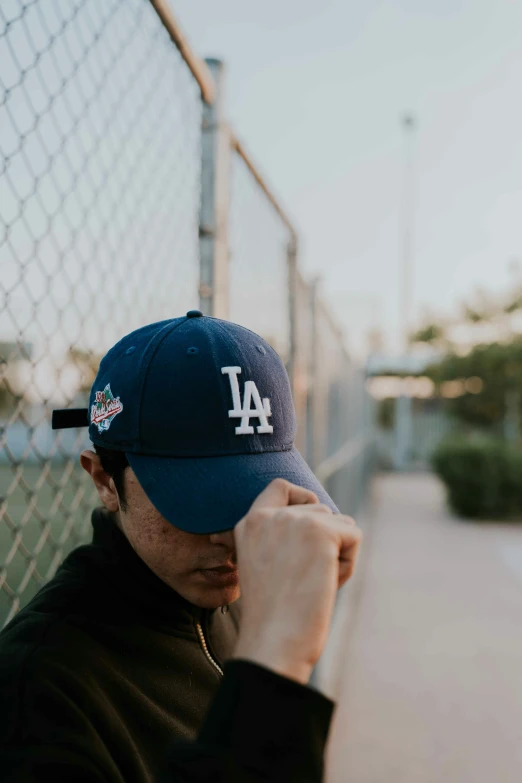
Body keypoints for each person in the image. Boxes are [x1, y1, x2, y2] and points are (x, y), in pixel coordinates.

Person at [0, 311, 362, 781]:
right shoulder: (39, 694)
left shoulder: (234, 591)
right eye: (198, 499)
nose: (232, 534)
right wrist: (273, 666)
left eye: (254, 496)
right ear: (105, 480)